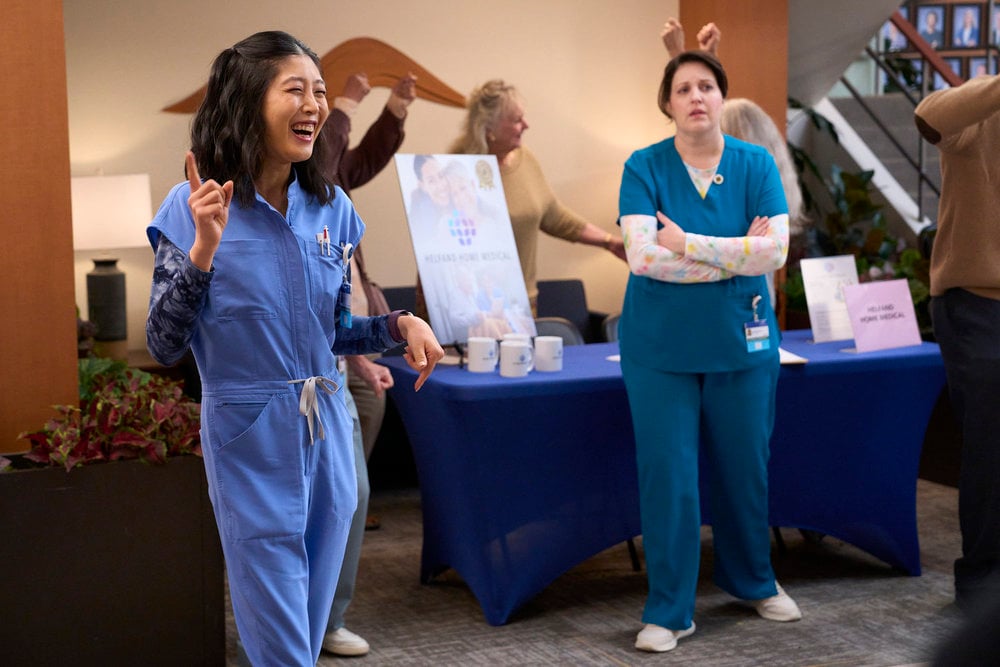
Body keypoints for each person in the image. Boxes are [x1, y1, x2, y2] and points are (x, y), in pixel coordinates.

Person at [145, 31, 443, 666]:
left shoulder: (332, 207)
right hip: (248, 435)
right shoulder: (193, 205)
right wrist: (202, 250)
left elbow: (335, 331)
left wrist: (400, 326)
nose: (314, 104)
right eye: (295, 90)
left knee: (307, 631)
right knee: (281, 642)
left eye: (320, 91)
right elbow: (164, 342)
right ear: (248, 101)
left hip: (327, 427)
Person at [617, 50, 800, 653]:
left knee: (746, 468)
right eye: (683, 89)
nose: (696, 96)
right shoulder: (643, 166)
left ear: (722, 97)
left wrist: (689, 243)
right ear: (667, 104)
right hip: (659, 349)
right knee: (669, 477)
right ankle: (670, 611)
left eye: (706, 86)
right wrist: (734, 253)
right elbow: (644, 257)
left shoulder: (756, 163)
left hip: (742, 340)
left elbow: (774, 252)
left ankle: (753, 581)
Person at [319, 70, 417, 657]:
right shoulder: (300, 181)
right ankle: (314, 619)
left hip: (359, 349)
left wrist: (396, 110)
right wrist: (346, 103)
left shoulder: (334, 185)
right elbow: (329, 154)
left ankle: (329, 615)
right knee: (336, 496)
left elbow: (361, 161)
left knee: (350, 497)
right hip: (323, 366)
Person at [914, 73, 1000, 613]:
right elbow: (929, 115)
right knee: (991, 447)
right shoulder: (978, 111)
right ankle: (983, 585)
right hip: (977, 302)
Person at [444, 78, 628, 315]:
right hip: (469, 306)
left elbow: (553, 216)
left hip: (519, 304)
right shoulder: (457, 169)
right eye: (516, 120)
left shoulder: (525, 159)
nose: (526, 125)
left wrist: (608, 241)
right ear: (489, 129)